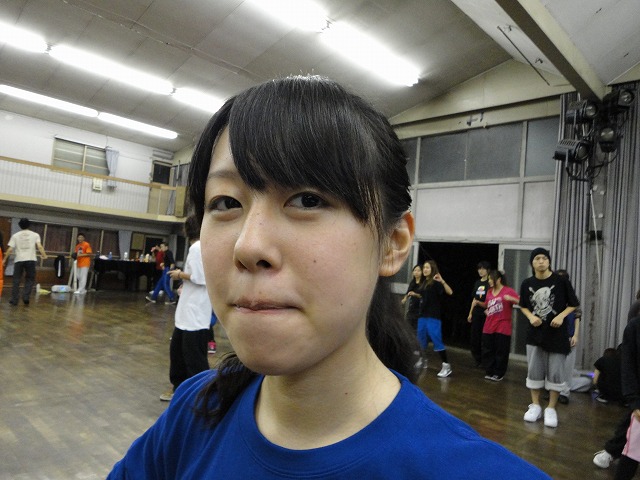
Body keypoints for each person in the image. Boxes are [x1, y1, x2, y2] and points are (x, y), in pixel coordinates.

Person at [108, 76, 550, 479]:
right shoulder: (193, 413)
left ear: (392, 244)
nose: (248, 246)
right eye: (226, 203)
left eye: (306, 199)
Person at [519, 247, 579, 428]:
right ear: (532, 263)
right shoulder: (527, 283)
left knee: (556, 372)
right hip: (535, 334)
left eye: (544, 258)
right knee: (534, 371)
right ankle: (535, 405)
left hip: (557, 335)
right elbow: (523, 305)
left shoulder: (561, 281)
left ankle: (551, 408)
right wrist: (531, 316)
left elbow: (573, 304)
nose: (541, 261)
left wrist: (561, 316)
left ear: (549, 261)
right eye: (537, 258)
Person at [159, 216, 212, 402]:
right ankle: (179, 389)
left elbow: (201, 277)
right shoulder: (201, 247)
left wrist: (180, 274)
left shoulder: (197, 248)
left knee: (194, 358)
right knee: (178, 353)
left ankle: (202, 395)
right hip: (187, 312)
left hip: (195, 314)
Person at [593, 290, 640, 470]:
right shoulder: (635, 319)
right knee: (633, 420)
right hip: (636, 385)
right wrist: (633, 398)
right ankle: (612, 451)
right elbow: (630, 359)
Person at [414, 260, 454, 377]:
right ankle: (422, 360)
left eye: (427, 268)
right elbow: (424, 296)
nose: (425, 270)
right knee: (420, 340)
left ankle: (446, 366)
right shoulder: (424, 283)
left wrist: (442, 281)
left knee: (436, 340)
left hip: (433, 316)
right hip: (422, 316)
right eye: (424, 268)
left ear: (433, 269)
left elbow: (450, 292)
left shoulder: (436, 283)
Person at [481, 270, 519, 381]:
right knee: (488, 349)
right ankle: (489, 371)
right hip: (489, 325)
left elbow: (521, 302)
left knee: (501, 350)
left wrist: (511, 299)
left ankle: (499, 373)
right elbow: (487, 305)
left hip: (503, 326)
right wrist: (486, 311)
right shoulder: (489, 292)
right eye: (489, 279)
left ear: (498, 280)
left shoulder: (508, 291)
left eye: (491, 279)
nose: (489, 281)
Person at [2, 218, 47, 306]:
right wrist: (44, 255)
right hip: (31, 259)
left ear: (19, 225)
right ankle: (26, 297)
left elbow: (10, 249)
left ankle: (14, 300)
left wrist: (4, 259)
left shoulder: (15, 235)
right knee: (30, 279)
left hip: (19, 260)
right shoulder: (35, 235)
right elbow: (40, 246)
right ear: (29, 225)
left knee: (16, 280)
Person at [555, 269, 581, 404]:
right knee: (554, 367)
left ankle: (564, 393)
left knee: (567, 368)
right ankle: (553, 391)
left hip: (569, 336)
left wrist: (575, 334)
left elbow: (577, 316)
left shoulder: (572, 297)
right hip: (554, 336)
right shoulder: (552, 296)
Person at [468, 261, 491, 367]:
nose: (480, 271)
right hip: (476, 313)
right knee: (475, 336)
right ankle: (477, 359)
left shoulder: (490, 283)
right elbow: (474, 299)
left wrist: (481, 304)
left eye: (483, 269)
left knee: (484, 338)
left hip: (486, 314)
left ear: (488, 270)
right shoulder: (477, 283)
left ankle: (485, 360)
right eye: (479, 269)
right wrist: (470, 313)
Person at [401, 264, 424, 332]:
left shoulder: (424, 283)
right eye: (415, 270)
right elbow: (408, 292)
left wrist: (415, 294)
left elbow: (424, 296)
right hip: (412, 308)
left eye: (418, 271)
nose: (416, 272)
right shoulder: (412, 282)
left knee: (416, 329)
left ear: (422, 272)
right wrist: (405, 299)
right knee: (408, 326)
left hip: (420, 309)